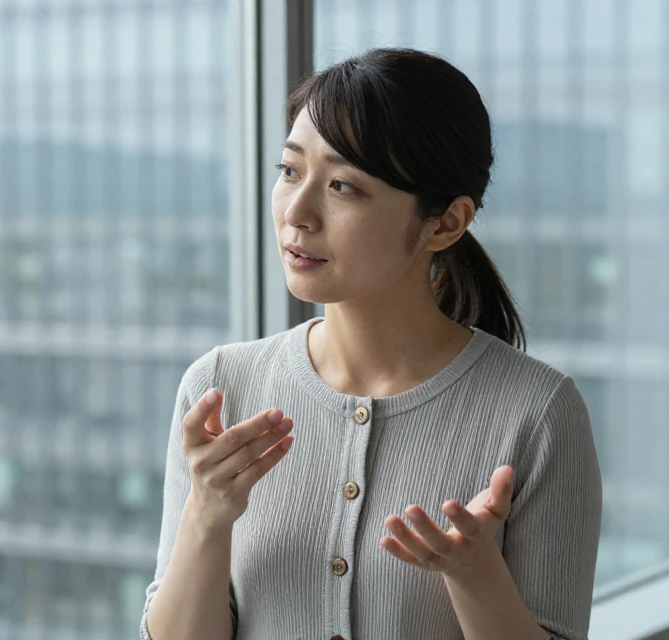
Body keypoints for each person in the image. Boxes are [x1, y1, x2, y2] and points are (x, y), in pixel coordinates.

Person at [140, 47, 602, 640]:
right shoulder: (219, 387)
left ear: (445, 223)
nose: (298, 213)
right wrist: (207, 515)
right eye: (290, 170)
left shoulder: (538, 413)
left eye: (342, 186)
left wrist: (475, 575)